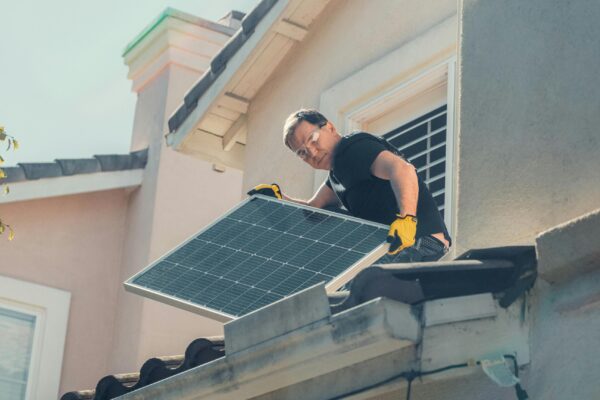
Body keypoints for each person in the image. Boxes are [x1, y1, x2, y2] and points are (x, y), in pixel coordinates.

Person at [248, 109, 451, 262]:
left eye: (313, 139)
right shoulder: (337, 175)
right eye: (302, 152)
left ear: (330, 127)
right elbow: (313, 211)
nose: (311, 152)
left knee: (357, 289)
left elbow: (402, 169)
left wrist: (407, 219)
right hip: (400, 247)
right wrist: (279, 200)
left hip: (421, 242)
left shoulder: (353, 147)